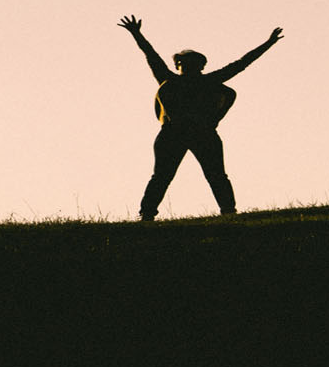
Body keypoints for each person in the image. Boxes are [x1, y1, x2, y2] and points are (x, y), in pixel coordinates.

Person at [119, 15, 283, 221]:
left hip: (199, 132)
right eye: (183, 62)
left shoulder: (203, 81)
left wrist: (268, 43)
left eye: (193, 63)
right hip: (175, 133)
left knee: (213, 175)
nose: (188, 66)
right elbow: (151, 56)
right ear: (178, 65)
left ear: (201, 66)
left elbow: (242, 63)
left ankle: (228, 211)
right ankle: (148, 214)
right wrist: (137, 34)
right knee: (164, 176)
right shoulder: (174, 80)